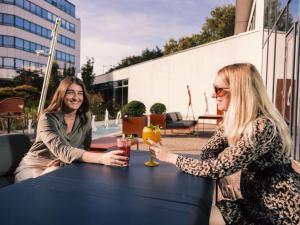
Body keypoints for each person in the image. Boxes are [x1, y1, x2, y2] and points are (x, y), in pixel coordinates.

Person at [148, 63, 300, 225]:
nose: (214, 95)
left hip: (278, 212)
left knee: (201, 218)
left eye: (218, 89)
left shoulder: (262, 126)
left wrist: (171, 157)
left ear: (239, 91)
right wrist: (221, 177)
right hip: (254, 204)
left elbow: (216, 167)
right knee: (202, 216)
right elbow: (208, 151)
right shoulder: (234, 123)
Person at [15, 77, 128, 182]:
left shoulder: (86, 116)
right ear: (62, 95)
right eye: (70, 92)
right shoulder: (47, 118)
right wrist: (101, 158)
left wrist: (64, 159)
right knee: (42, 187)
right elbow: (61, 148)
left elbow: (84, 147)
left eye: (80, 93)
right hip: (35, 164)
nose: (76, 97)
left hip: (63, 164)